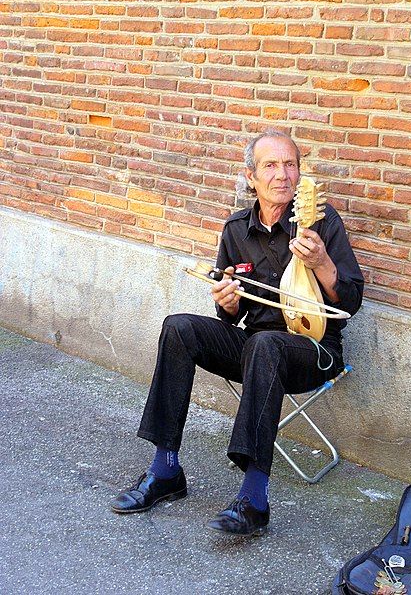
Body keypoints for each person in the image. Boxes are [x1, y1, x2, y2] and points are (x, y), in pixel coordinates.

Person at [111, 129, 364, 536]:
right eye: (270, 165)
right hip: (256, 347)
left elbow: (349, 303)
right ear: (251, 176)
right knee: (179, 328)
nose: (283, 174)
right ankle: (165, 470)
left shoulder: (319, 221)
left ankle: (254, 498)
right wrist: (227, 303)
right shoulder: (235, 230)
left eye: (291, 164)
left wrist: (322, 264)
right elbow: (231, 314)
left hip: (315, 350)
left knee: (265, 344)